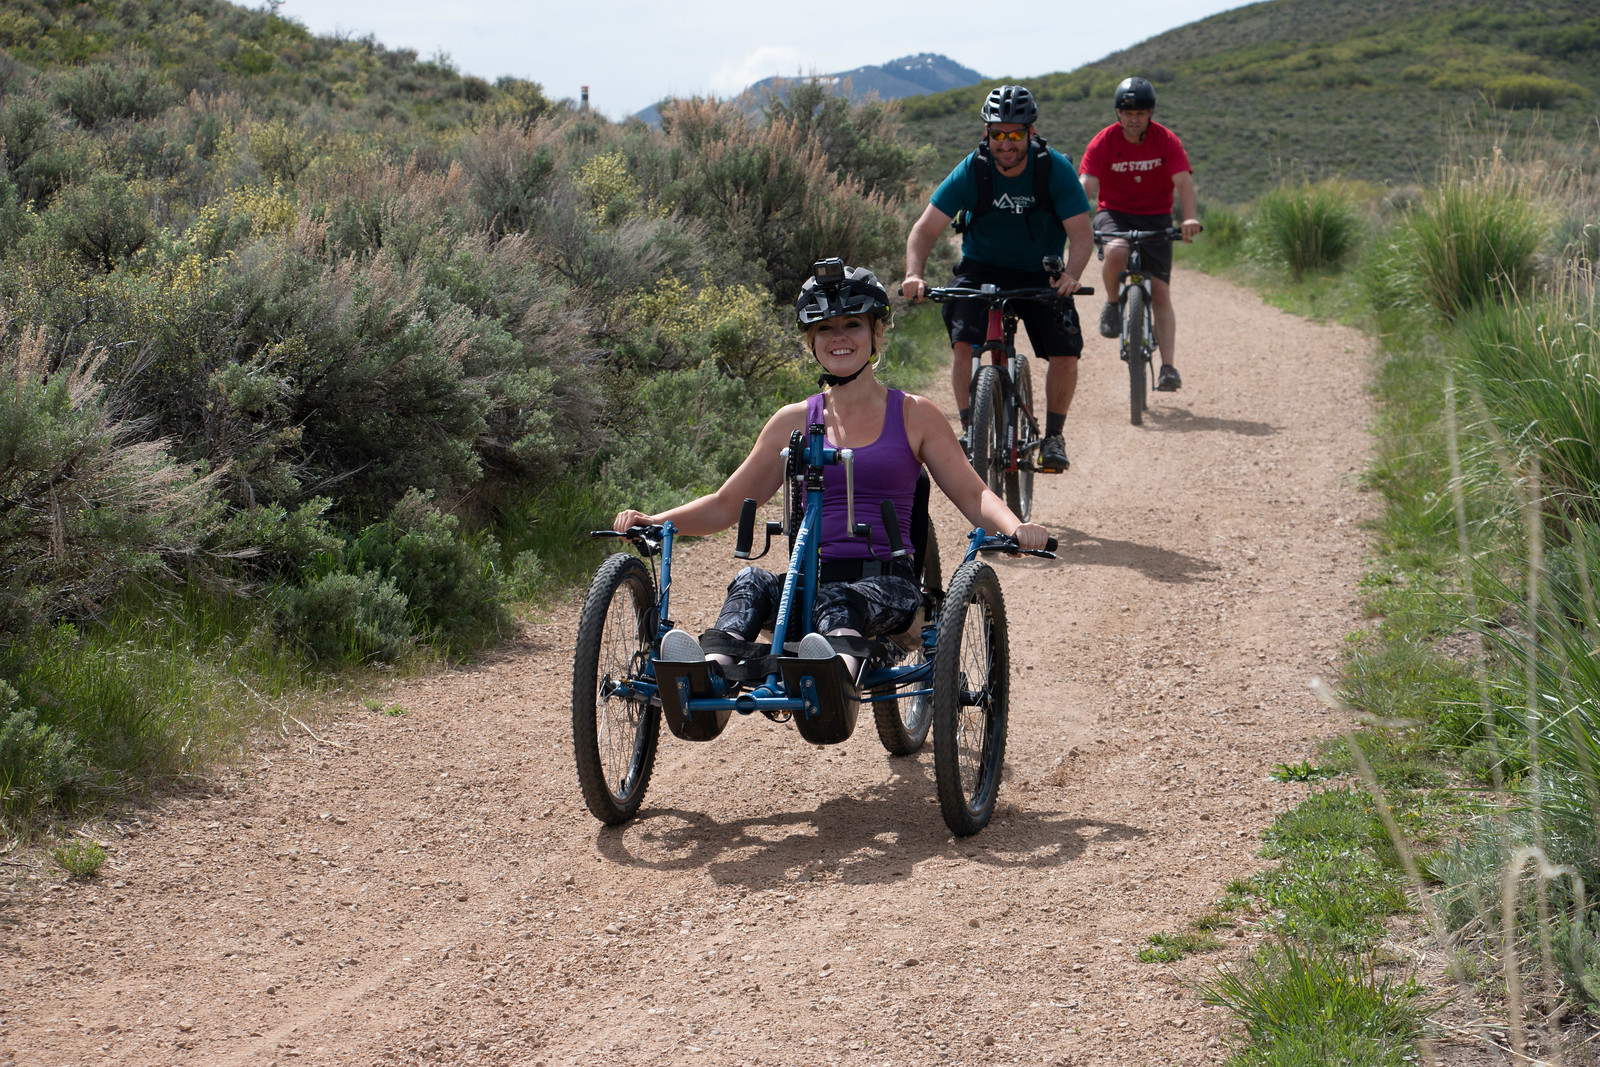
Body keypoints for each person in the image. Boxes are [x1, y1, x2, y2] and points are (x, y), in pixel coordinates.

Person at [612, 260, 1048, 683]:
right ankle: (712, 670)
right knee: (751, 582)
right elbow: (727, 504)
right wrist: (658, 521)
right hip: (810, 586)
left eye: (852, 325)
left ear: (876, 334)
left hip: (888, 586)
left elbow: (973, 494)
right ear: (811, 342)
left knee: (838, 600)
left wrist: (1015, 527)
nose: (839, 338)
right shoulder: (792, 421)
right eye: (825, 328)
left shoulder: (915, 415)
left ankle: (833, 679)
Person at [900, 84, 1093, 474]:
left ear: (1030, 134)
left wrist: (1071, 275)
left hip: (1041, 270)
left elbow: (1082, 234)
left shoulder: (1054, 169)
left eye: (1015, 134)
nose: (1006, 143)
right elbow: (923, 231)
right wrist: (913, 274)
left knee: (1065, 352)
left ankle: (1053, 435)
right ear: (986, 133)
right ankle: (972, 428)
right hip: (981, 268)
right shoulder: (973, 169)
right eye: (997, 133)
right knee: (962, 344)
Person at [1078, 76, 1200, 392]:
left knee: (1159, 291)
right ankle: (1113, 304)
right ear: (1118, 113)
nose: (1133, 119)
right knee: (1116, 251)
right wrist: (1074, 222)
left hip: (1156, 217)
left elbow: (1184, 182)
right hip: (1114, 214)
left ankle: (1168, 367)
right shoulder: (1103, 142)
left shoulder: (1165, 140)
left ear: (1150, 113)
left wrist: (1189, 219)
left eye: (1140, 113)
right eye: (1127, 112)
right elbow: (1086, 187)